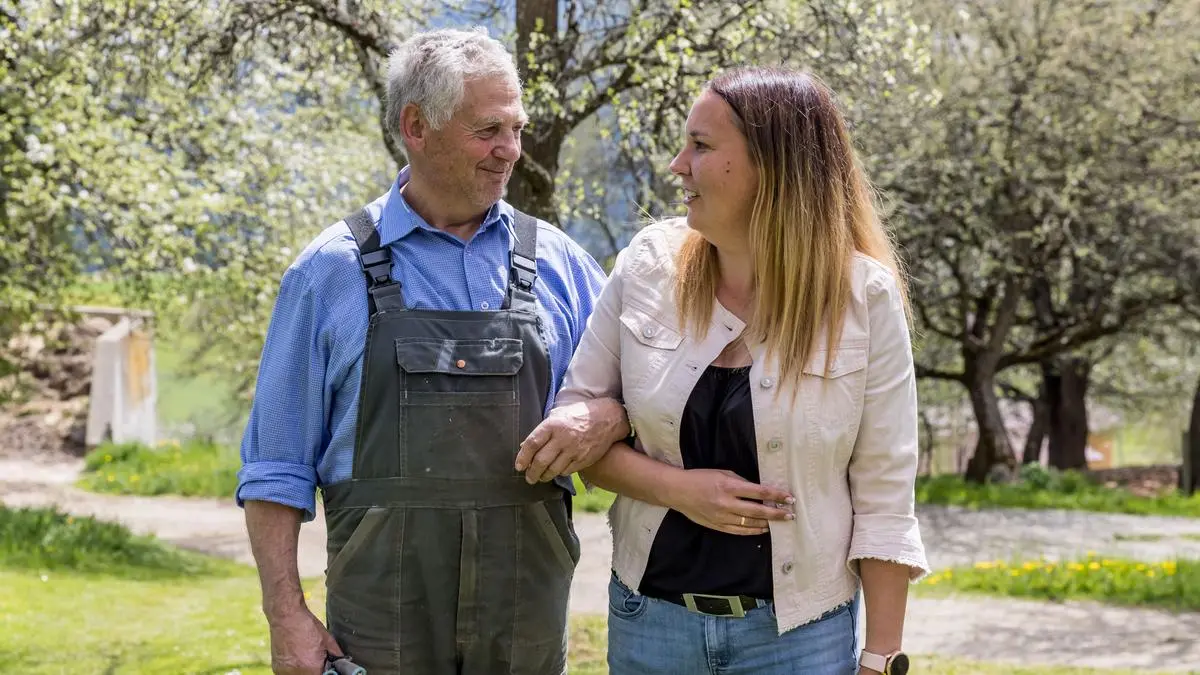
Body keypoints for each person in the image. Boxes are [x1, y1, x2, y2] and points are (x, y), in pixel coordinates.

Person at [236, 27, 630, 675]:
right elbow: (276, 469)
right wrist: (286, 613)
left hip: (524, 625)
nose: (511, 150)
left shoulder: (563, 266)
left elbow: (640, 399)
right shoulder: (327, 272)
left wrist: (605, 416)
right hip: (378, 624)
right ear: (416, 126)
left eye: (517, 127)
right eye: (488, 130)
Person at [518, 67, 930, 675]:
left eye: (702, 146)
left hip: (801, 641)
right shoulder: (646, 268)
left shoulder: (862, 299)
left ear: (776, 165)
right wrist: (682, 491)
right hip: (650, 627)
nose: (678, 165)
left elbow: (885, 494)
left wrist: (880, 656)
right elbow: (579, 435)